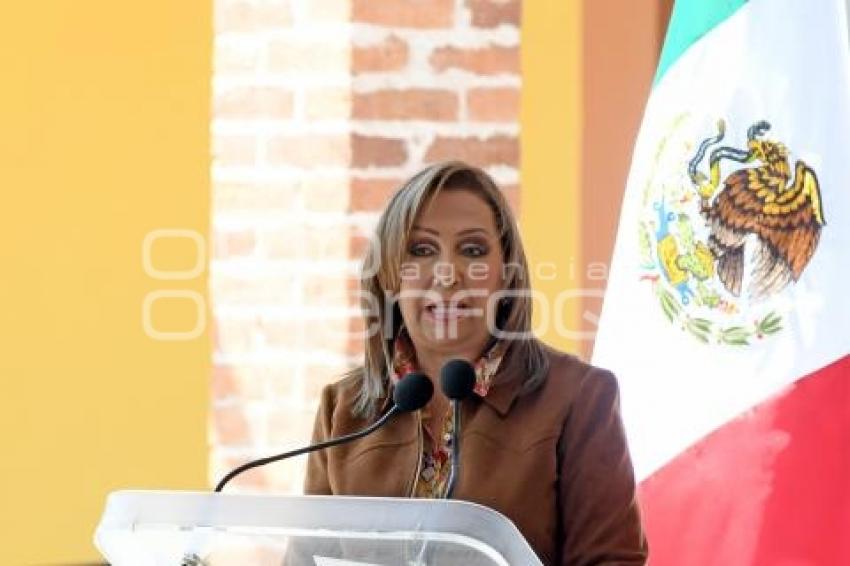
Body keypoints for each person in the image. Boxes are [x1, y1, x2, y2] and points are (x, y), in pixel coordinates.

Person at [304, 161, 648, 565]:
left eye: (472, 251)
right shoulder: (342, 410)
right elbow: (305, 560)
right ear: (391, 277)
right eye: (421, 250)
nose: (447, 275)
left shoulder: (580, 398)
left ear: (506, 274)